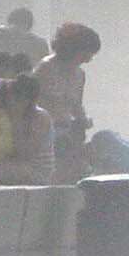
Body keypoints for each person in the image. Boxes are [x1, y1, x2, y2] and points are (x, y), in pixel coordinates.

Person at [32, 22, 101, 179]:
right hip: (43, 131)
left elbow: (77, 106)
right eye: (87, 53)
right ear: (73, 48)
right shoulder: (46, 68)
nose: (89, 59)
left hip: (68, 131)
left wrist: (83, 120)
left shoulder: (80, 75)